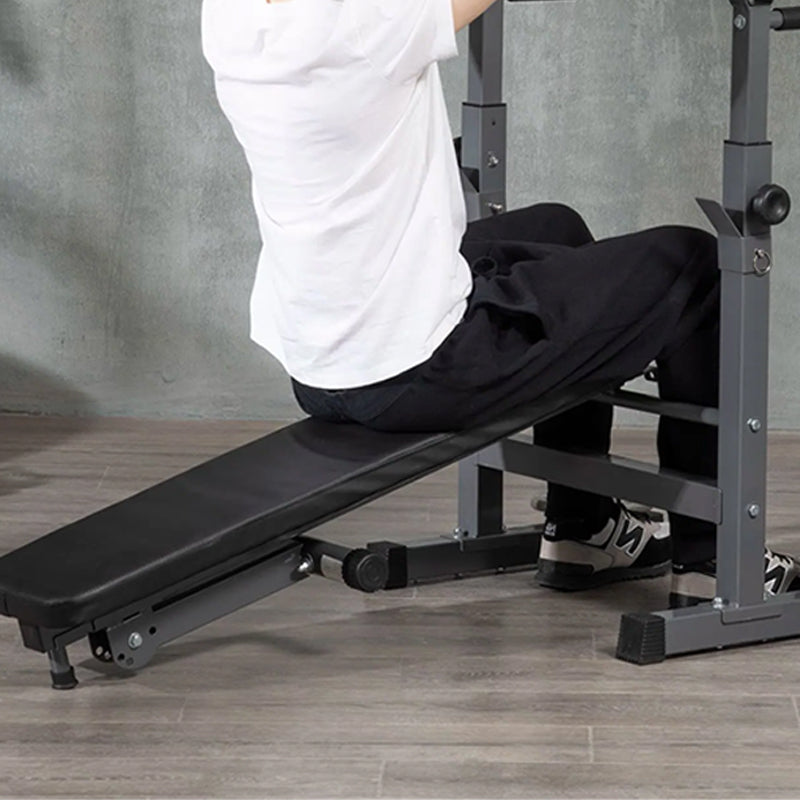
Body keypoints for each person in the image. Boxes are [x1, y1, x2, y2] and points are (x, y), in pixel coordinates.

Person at [201, 0, 800, 606]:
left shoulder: (229, 16)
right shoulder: (367, 22)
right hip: (417, 369)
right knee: (698, 265)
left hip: (318, 363)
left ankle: (583, 528)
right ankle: (715, 561)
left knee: (556, 231)